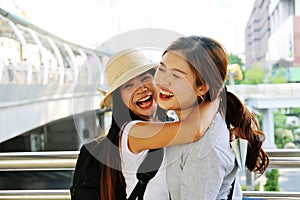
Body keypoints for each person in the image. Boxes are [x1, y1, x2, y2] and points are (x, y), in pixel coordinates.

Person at [71, 49, 219, 200]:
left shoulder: (170, 129)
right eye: (128, 85)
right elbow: (194, 130)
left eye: (145, 78)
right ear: (120, 99)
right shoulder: (132, 132)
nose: (141, 89)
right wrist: (217, 97)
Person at [151, 35, 270, 199]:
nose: (163, 81)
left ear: (202, 88)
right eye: (162, 69)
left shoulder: (203, 147)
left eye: (177, 76)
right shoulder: (189, 123)